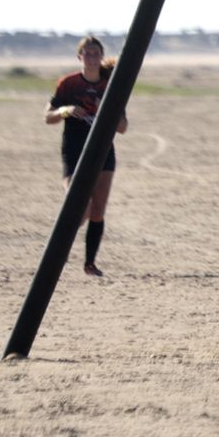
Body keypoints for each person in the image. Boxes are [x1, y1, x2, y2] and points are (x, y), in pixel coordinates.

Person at [45, 36, 128, 277]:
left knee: (98, 209)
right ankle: (57, 252)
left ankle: (90, 264)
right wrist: (65, 110)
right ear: (79, 56)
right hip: (74, 150)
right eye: (87, 53)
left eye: (96, 53)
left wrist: (107, 113)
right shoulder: (68, 84)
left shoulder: (110, 85)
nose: (91, 58)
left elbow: (123, 127)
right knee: (81, 206)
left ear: (101, 57)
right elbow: (47, 116)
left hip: (104, 151)